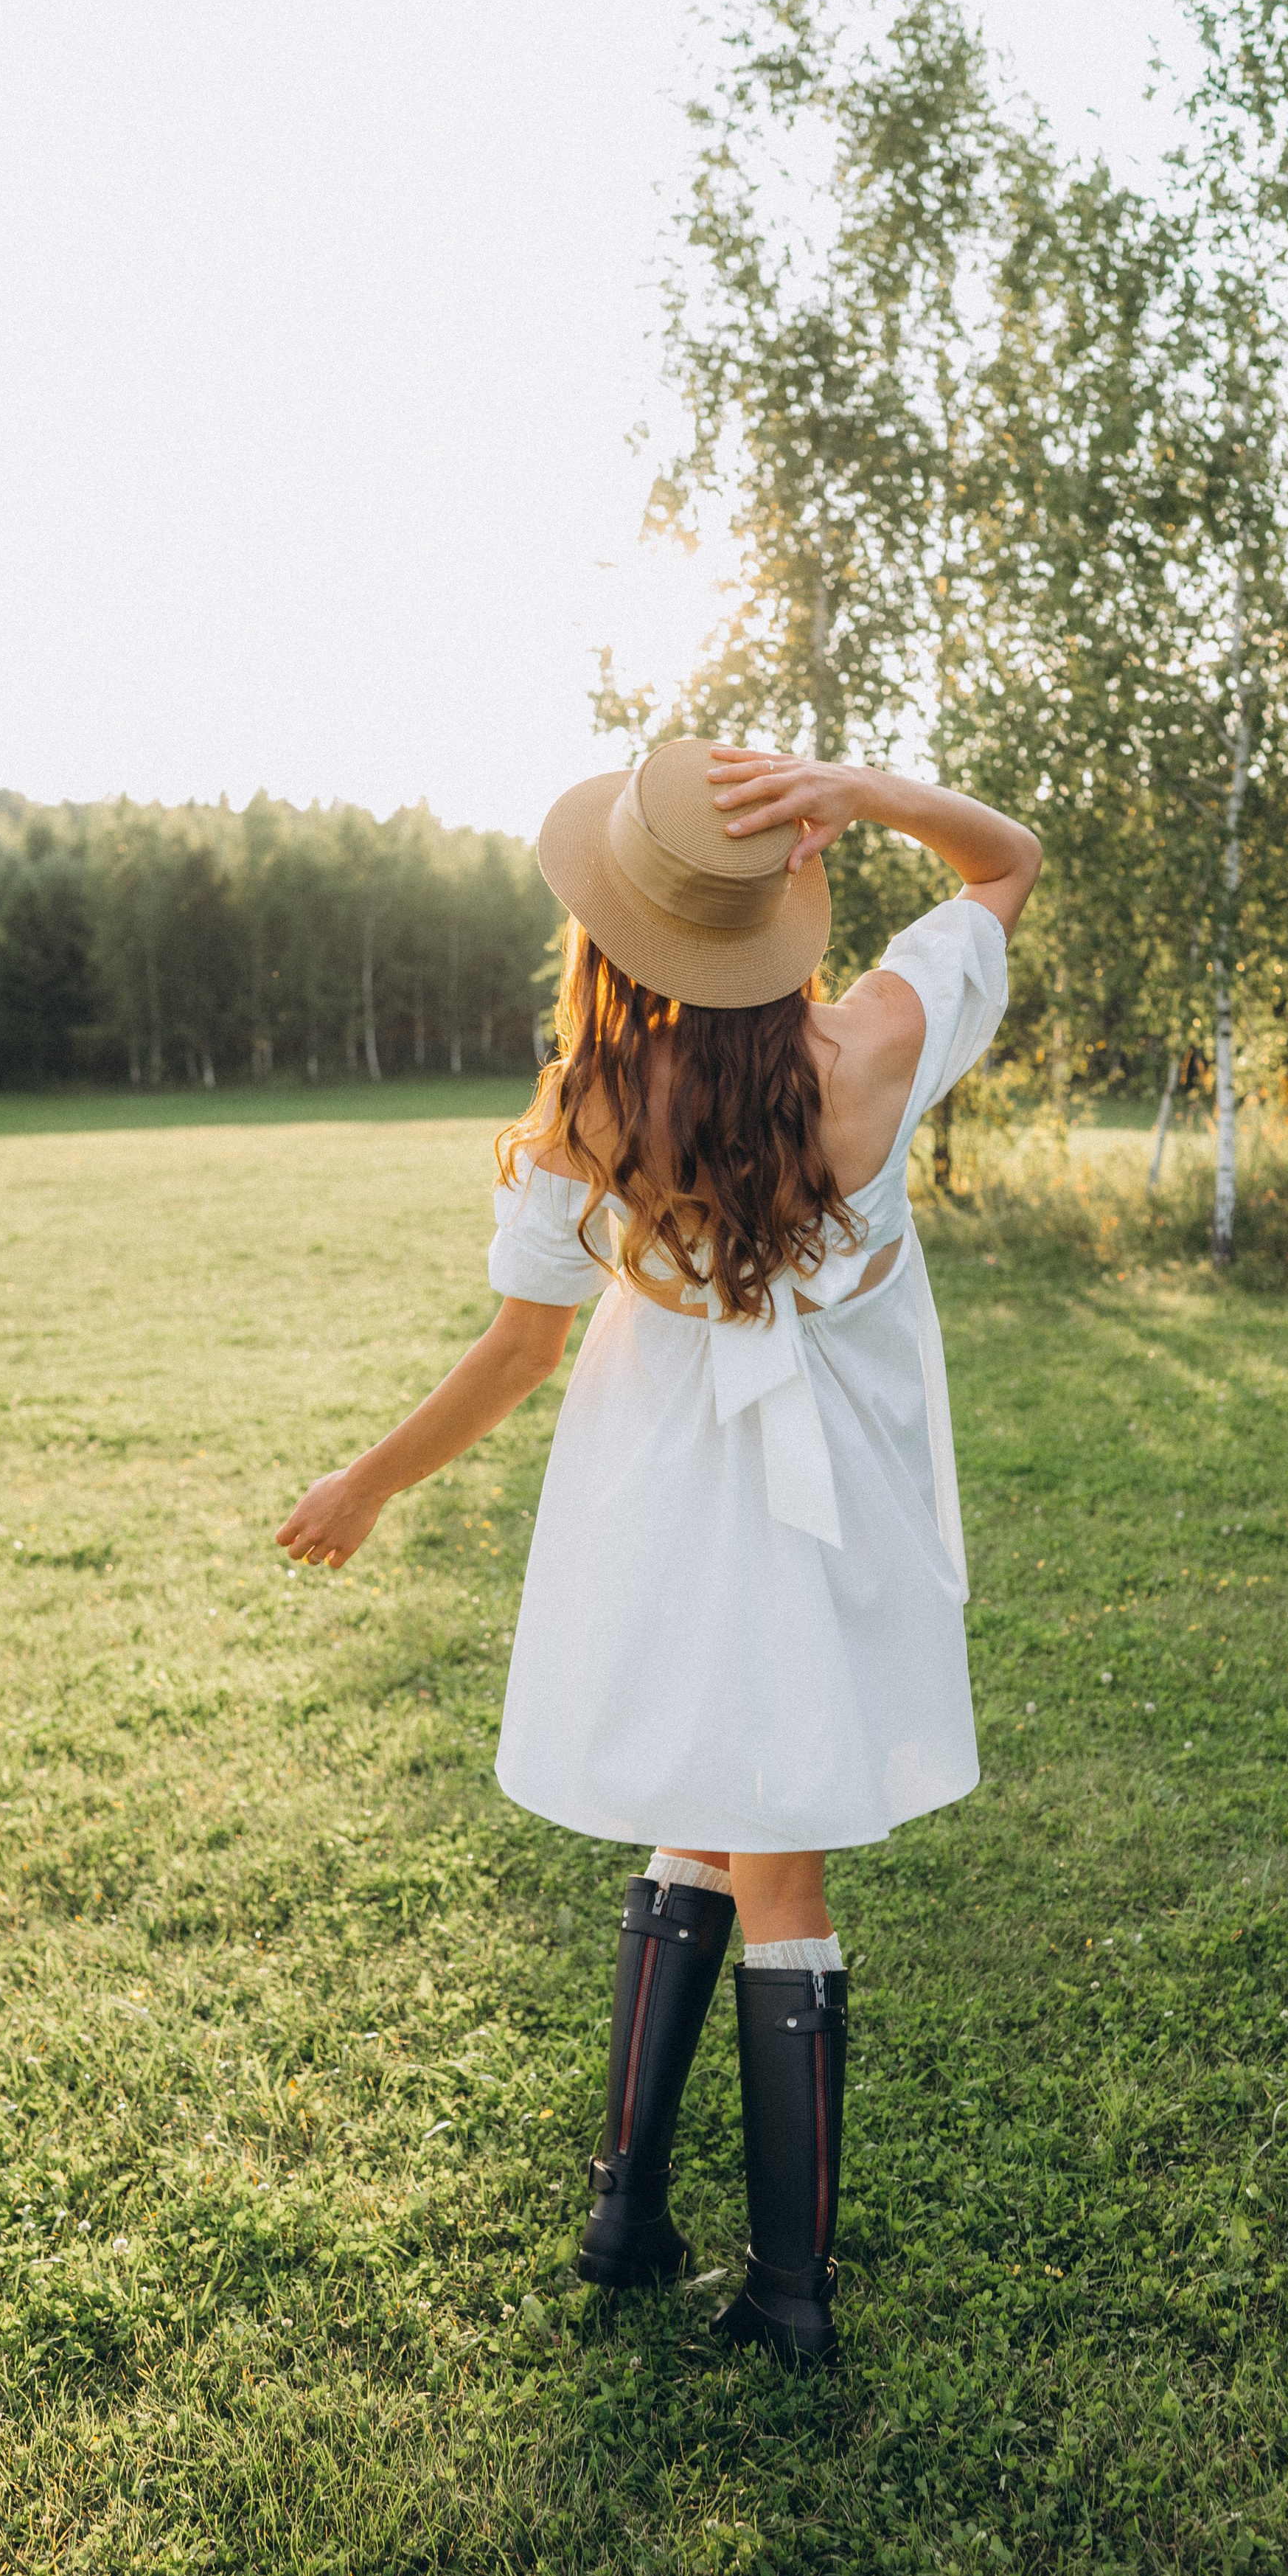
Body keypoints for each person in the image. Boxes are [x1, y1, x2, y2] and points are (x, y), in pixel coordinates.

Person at [275, 740, 1041, 2366]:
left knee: (713, 1811)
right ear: (790, 903)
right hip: (822, 1506)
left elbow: (516, 1355)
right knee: (776, 1851)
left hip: (662, 1504)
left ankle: (641, 2215)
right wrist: (866, 791)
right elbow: (1002, 867)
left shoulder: (588, 1107)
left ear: (615, 934)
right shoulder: (880, 1042)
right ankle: (781, 2291)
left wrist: (368, 1481)